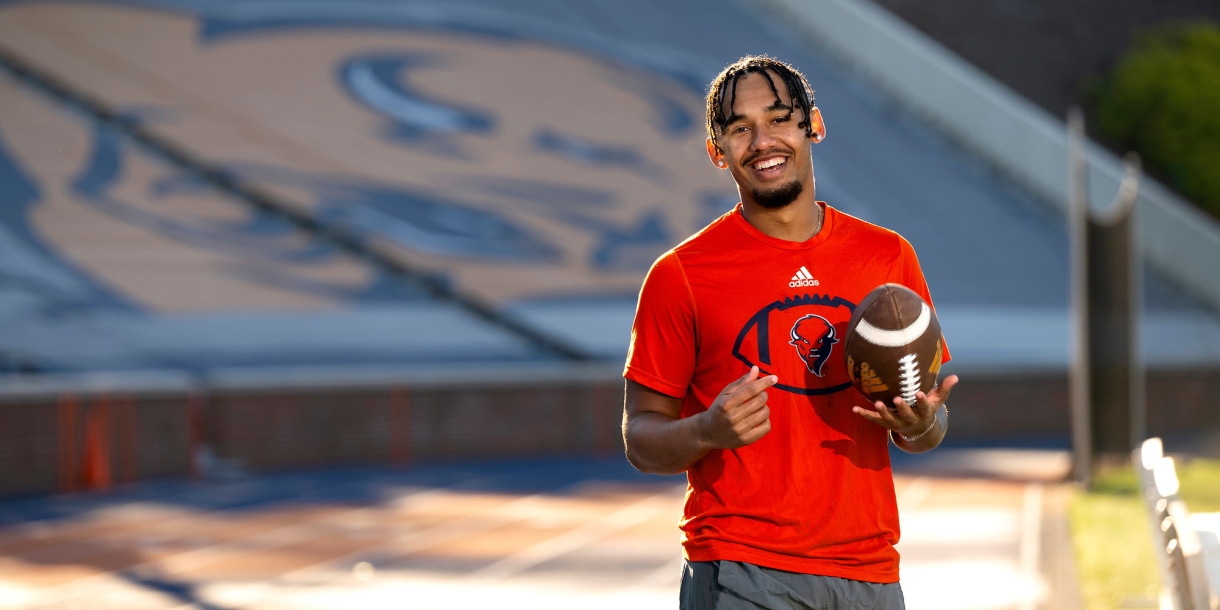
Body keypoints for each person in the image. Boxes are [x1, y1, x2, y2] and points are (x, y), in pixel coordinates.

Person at [622, 55, 960, 609]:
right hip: (740, 568)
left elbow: (926, 428)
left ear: (814, 126)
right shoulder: (679, 274)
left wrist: (923, 424)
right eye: (738, 128)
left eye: (779, 118)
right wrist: (706, 430)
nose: (761, 141)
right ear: (717, 151)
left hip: (870, 571)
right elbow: (640, 438)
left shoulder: (887, 256)